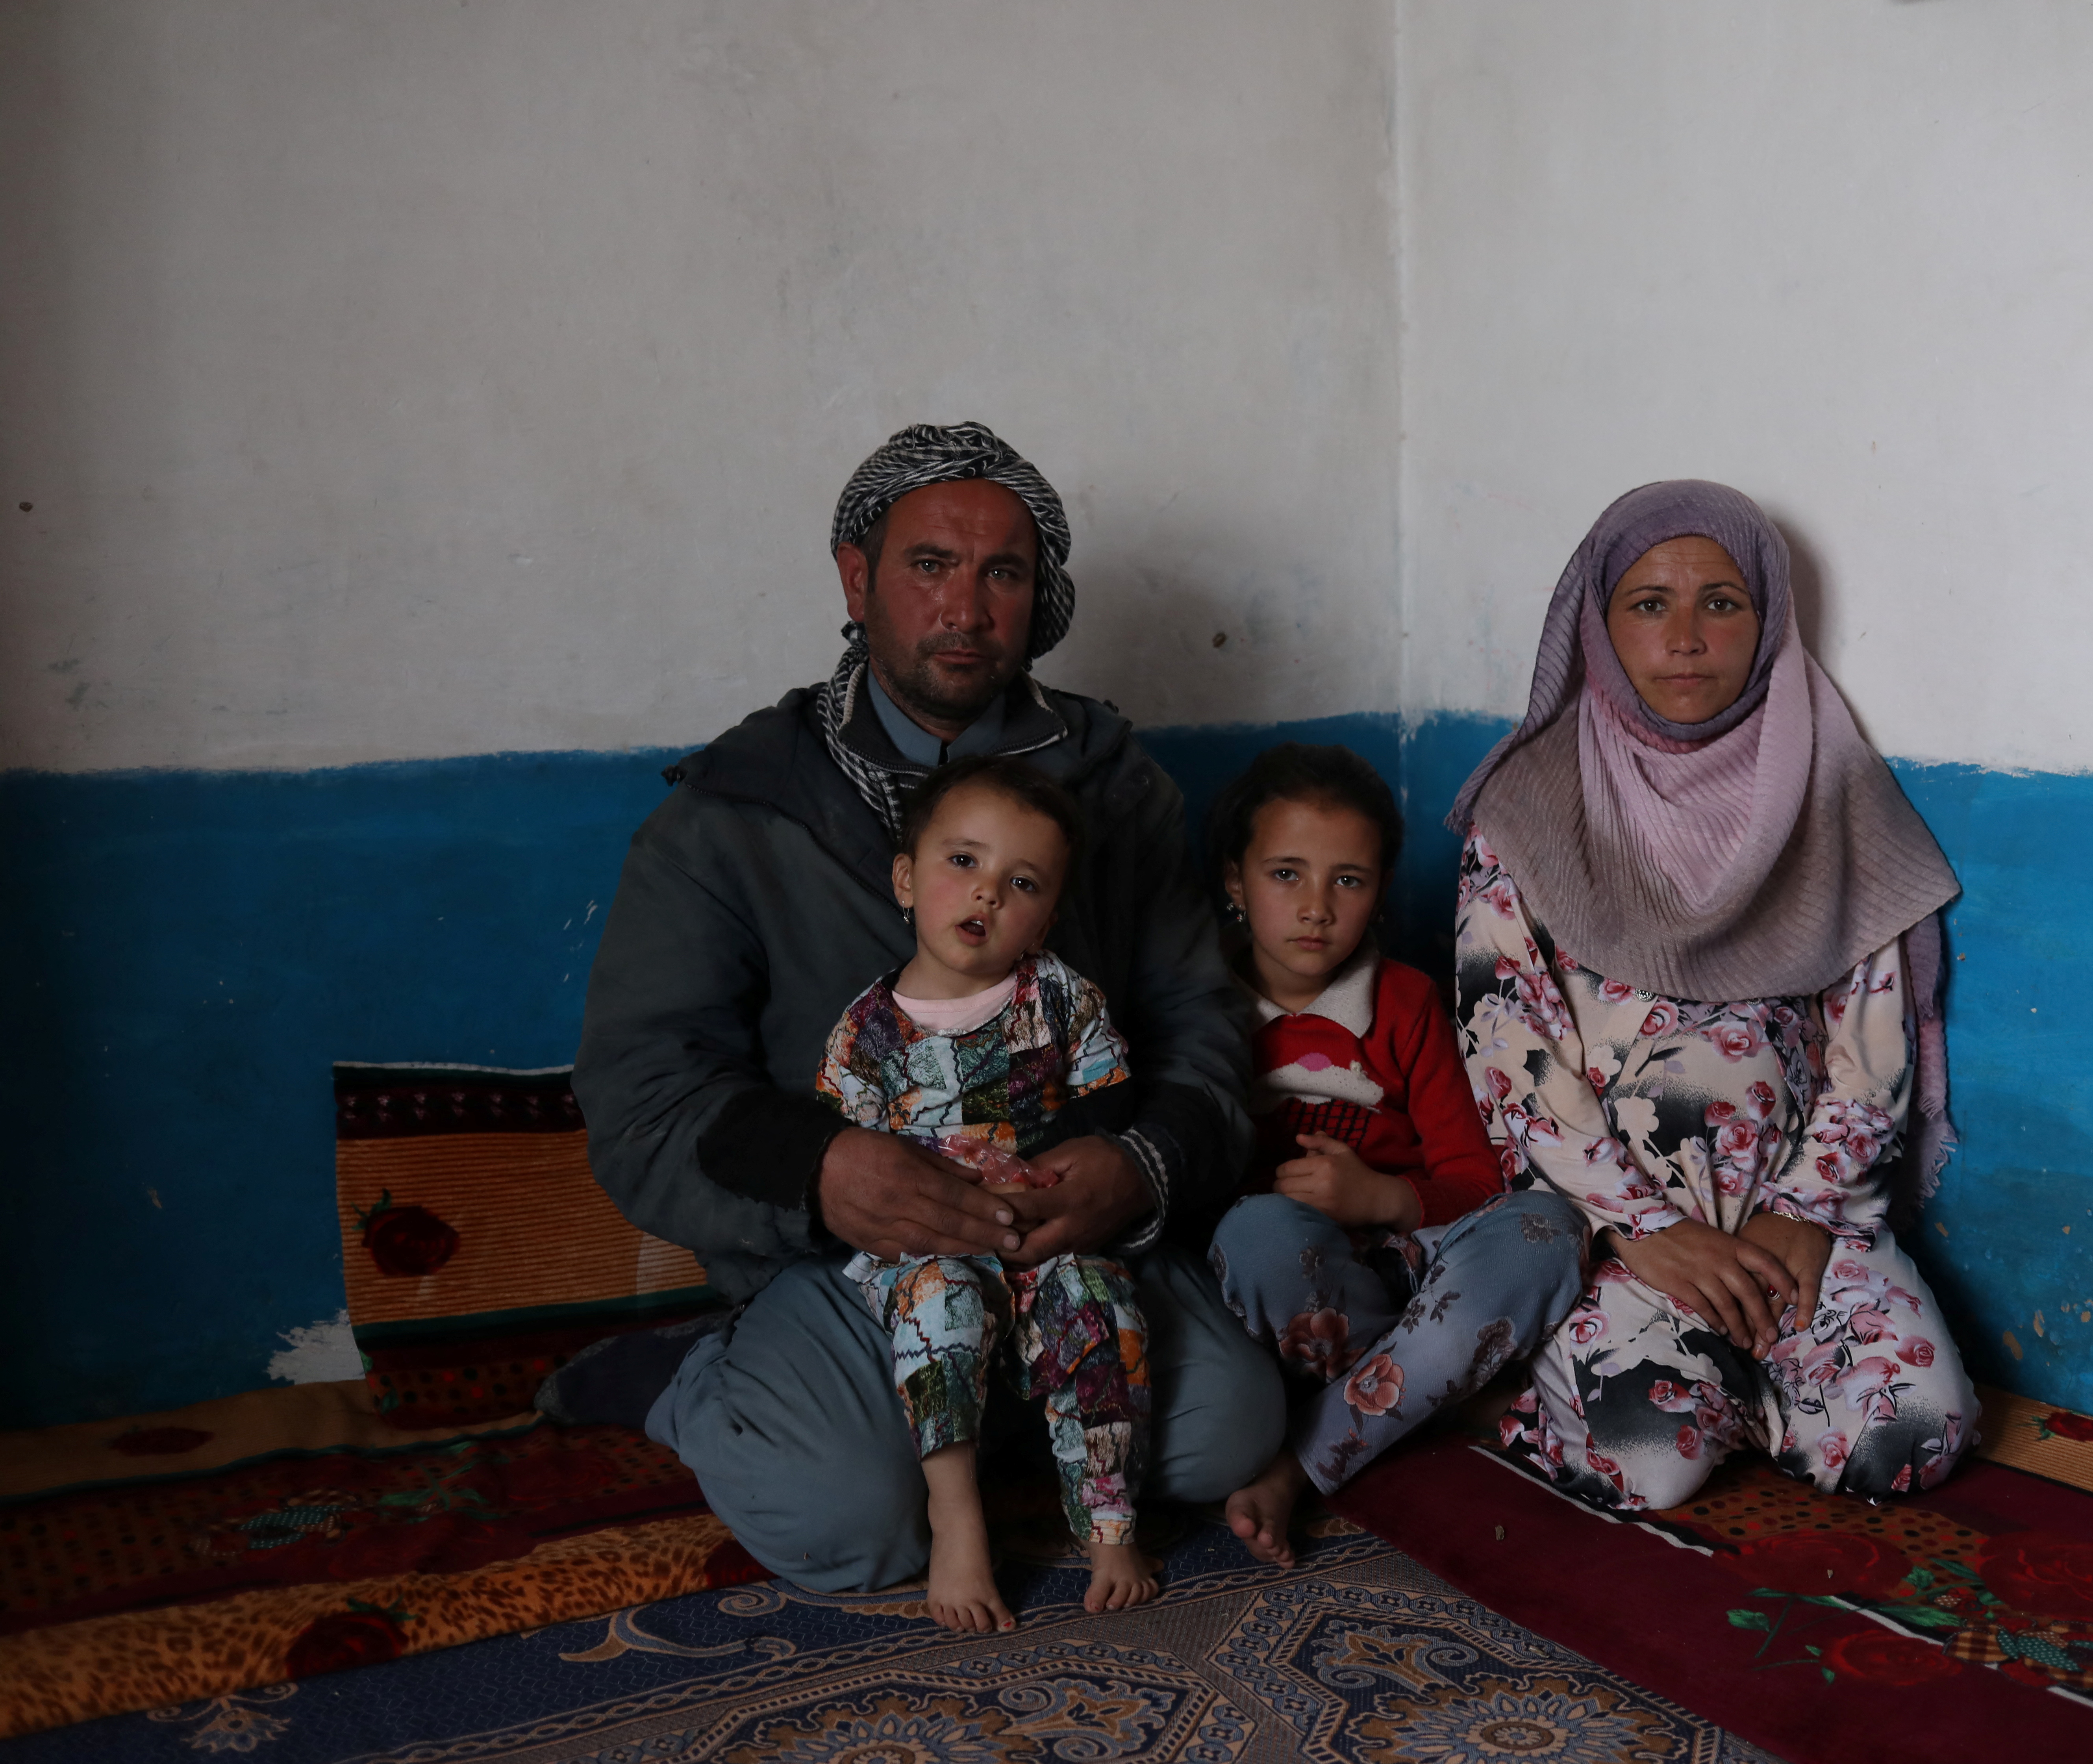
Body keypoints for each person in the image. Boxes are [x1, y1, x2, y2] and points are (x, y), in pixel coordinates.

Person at [567, 422, 1281, 1595]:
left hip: (1063, 1241)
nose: (968, 607)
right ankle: (692, 1381)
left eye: (1005, 572)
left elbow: (1198, 1022)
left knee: (1231, 1436)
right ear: (857, 580)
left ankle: (996, 1419)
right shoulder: (740, 812)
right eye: (930, 566)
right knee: (856, 1533)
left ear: (1040, 597)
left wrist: (1139, 1165)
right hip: (853, 1264)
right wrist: (827, 1172)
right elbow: (646, 1093)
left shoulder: (1112, 786)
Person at [1447, 479, 1975, 1512]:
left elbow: (1875, 1042)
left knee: (1910, 1440)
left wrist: (1808, 1211)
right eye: (1649, 604)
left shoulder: (1831, 790)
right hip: (1627, 1230)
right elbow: (1512, 1049)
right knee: (1643, 1464)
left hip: (1802, 1216)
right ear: (1597, 629)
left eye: (1721, 602)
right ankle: (1691, 1381)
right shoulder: (1526, 808)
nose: (1686, 636)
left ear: (1769, 619)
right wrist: (1643, 1228)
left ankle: (1731, 1380)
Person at [1202, 744, 1582, 1564]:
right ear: (1235, 882)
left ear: (1378, 890)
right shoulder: (1204, 1006)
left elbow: (1476, 1179)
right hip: (1310, 1296)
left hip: (1420, 1268)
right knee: (1257, 1234)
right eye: (1285, 874)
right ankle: (1431, 1393)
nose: (1316, 907)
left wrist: (1381, 1198)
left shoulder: (1405, 1001)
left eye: (1349, 879)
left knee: (1546, 1226)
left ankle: (1307, 1456)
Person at [821, 756, 1155, 1629]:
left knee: (1102, 1304)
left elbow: (1109, 1098)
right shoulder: (866, 1029)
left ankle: (1109, 1520)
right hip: (924, 1245)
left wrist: (1081, 1171)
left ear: (1046, 914)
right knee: (942, 1308)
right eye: (963, 862)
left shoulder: (1058, 997)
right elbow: (842, 1149)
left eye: (1022, 882)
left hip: (1039, 1233)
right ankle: (956, 1513)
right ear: (906, 877)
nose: (987, 896)